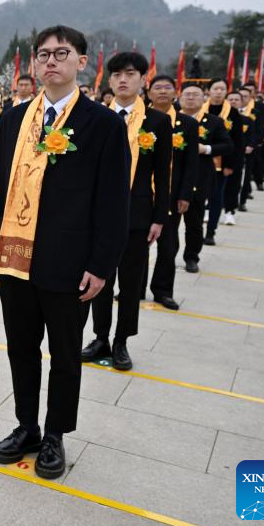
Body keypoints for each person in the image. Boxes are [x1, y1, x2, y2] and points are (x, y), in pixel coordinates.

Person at [0, 25, 129, 480]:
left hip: (70, 262)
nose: (51, 61)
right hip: (15, 258)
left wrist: (101, 265)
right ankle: (26, 425)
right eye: (43, 54)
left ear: (82, 62)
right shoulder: (14, 118)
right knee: (20, 349)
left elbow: (113, 201)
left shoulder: (103, 124)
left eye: (61, 53)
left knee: (65, 356)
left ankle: (55, 434)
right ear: (33, 63)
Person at [82, 52, 170, 371]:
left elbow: (162, 173)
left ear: (143, 79)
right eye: (117, 74)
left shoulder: (157, 121)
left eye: (130, 74)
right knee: (99, 278)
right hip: (99, 215)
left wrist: (159, 218)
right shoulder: (96, 117)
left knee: (131, 283)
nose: (123, 80)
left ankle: (122, 341)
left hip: (138, 215)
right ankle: (100, 337)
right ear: (109, 80)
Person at [143, 75, 199, 310]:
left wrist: (185, 194)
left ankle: (163, 291)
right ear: (149, 93)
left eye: (168, 87)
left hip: (171, 194)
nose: (163, 91)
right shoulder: (140, 118)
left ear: (175, 93)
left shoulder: (187, 124)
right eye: (158, 87)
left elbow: (191, 163)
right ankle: (134, 288)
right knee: (137, 245)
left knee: (168, 245)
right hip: (142, 193)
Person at [178, 84, 232, 274]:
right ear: (180, 98)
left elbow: (227, 145)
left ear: (204, 99)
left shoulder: (214, 122)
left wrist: (206, 149)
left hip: (199, 178)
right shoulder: (170, 118)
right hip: (173, 177)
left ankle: (192, 257)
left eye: (196, 95)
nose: (191, 98)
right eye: (187, 94)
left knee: (194, 222)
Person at [200, 79, 240, 246]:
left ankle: (211, 232)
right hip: (199, 161)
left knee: (216, 198)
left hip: (221, 163)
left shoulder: (233, 113)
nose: (218, 92)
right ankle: (197, 231)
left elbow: (237, 142)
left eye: (222, 89)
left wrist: (230, 165)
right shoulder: (201, 109)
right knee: (198, 199)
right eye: (215, 88)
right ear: (208, 91)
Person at [222, 89, 255, 222]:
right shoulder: (218, 118)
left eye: (237, 100)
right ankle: (209, 209)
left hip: (237, 156)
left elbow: (252, 136)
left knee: (233, 184)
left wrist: (250, 146)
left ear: (242, 102)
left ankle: (230, 211)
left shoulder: (247, 120)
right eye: (231, 99)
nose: (233, 102)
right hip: (219, 156)